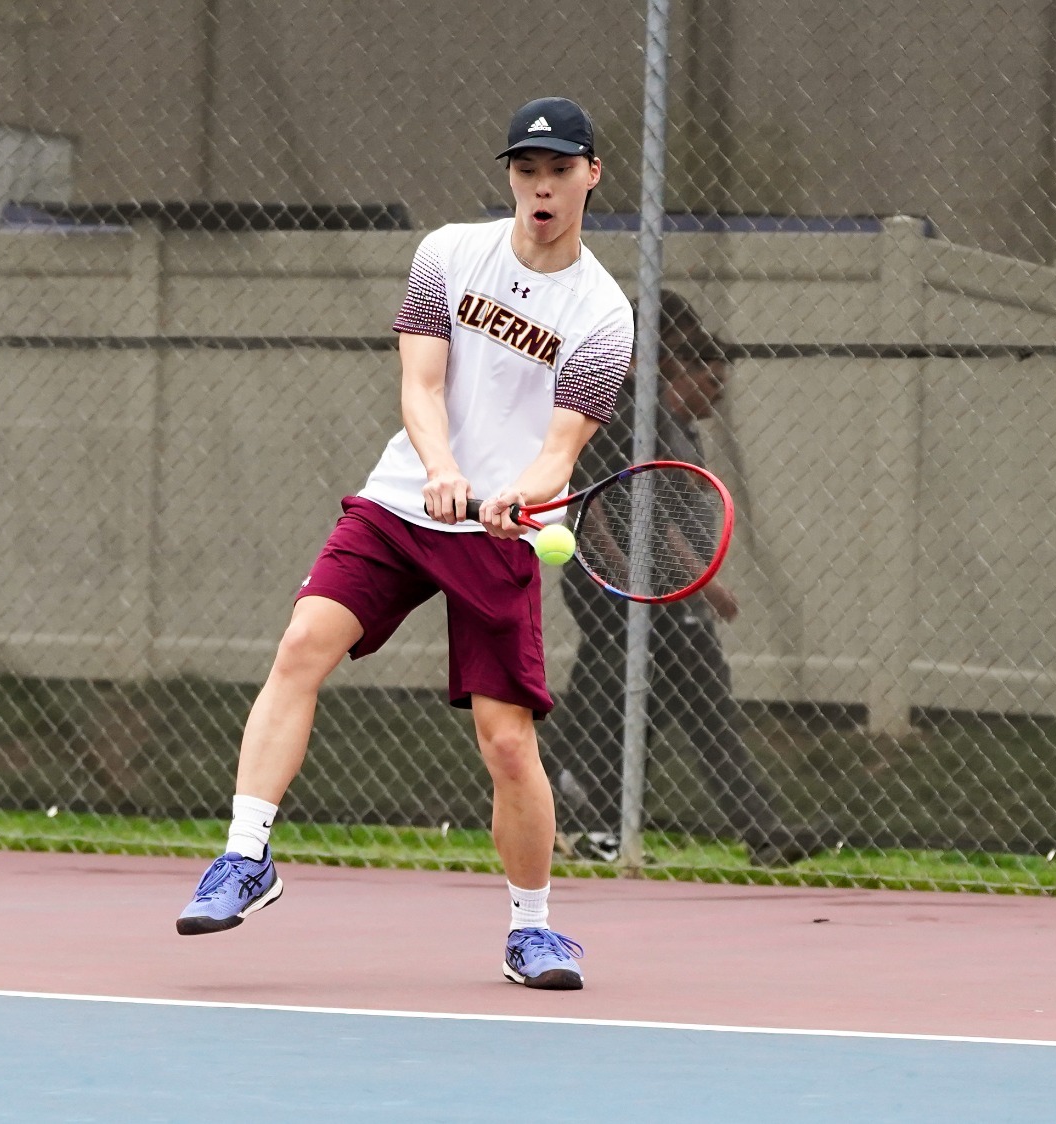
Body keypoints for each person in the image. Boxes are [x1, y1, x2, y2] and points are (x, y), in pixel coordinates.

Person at [175, 97, 633, 992]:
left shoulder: (604, 315)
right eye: (526, 171)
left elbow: (559, 451)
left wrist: (514, 497)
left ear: (591, 176)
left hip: (505, 530)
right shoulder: (447, 253)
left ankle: (533, 931)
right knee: (303, 643)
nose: (541, 187)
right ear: (511, 177)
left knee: (507, 744)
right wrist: (440, 467)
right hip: (401, 504)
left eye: (559, 171)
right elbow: (420, 387)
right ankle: (244, 858)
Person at [545, 290, 820, 868]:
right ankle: (586, 812)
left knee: (626, 702)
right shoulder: (618, 413)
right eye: (679, 346)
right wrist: (645, 580)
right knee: (654, 701)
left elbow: (659, 509)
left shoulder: (657, 418)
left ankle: (574, 806)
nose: (715, 396)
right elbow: (596, 506)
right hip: (628, 589)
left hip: (657, 590)